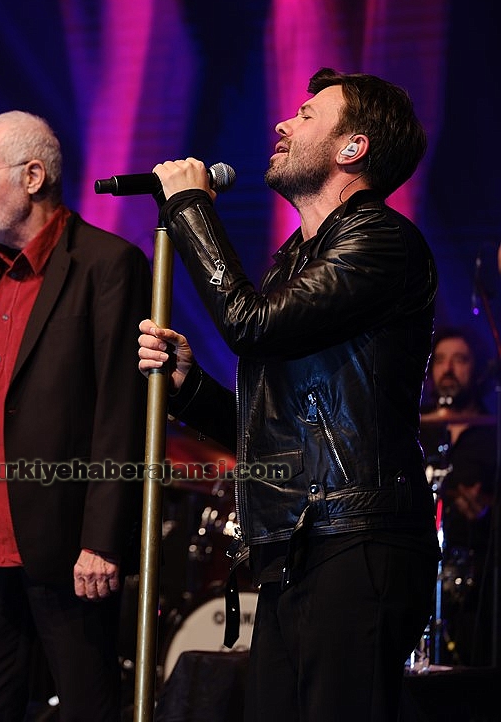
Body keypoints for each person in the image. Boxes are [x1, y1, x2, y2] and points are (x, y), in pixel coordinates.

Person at [137, 68, 439, 722]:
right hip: (300, 545)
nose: (283, 122)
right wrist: (191, 387)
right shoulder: (294, 261)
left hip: (357, 539)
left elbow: (248, 323)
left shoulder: (381, 241)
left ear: (351, 147)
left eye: (306, 115)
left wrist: (189, 208)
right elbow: (277, 431)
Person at [0, 110, 150, 722]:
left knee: (87, 707)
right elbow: (5, 389)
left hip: (66, 545)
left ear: (33, 176)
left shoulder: (107, 264)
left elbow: (119, 411)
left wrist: (101, 540)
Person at [420, 324, 497, 666]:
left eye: (460, 360)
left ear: (476, 368)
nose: (448, 369)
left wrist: (486, 509)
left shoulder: (491, 434)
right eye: (440, 360)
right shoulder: (415, 429)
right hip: (416, 566)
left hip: (475, 579)